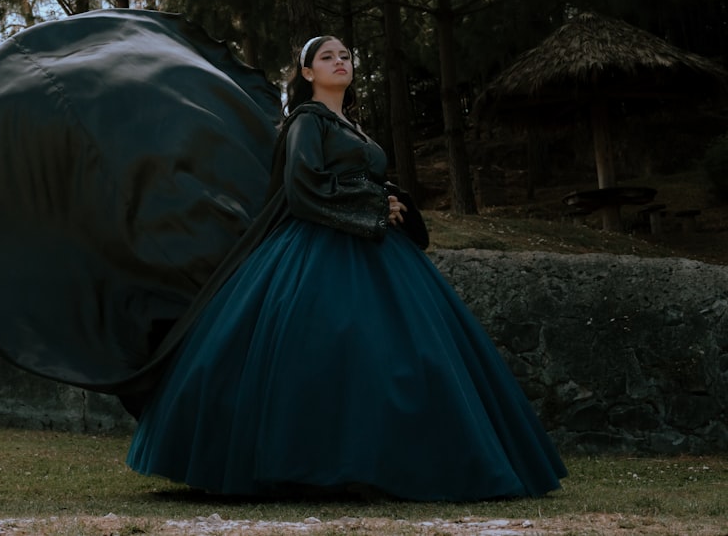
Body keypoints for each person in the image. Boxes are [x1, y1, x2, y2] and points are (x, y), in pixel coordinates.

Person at [125, 35, 568, 501]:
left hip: (377, 250)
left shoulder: (352, 127)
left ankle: (398, 461)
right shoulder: (305, 122)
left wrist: (390, 199)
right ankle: (310, 464)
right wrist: (375, 203)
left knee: (403, 355)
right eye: (326, 57)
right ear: (308, 74)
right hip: (315, 249)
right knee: (326, 351)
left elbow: (362, 179)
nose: (340, 61)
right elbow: (302, 187)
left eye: (345, 56)